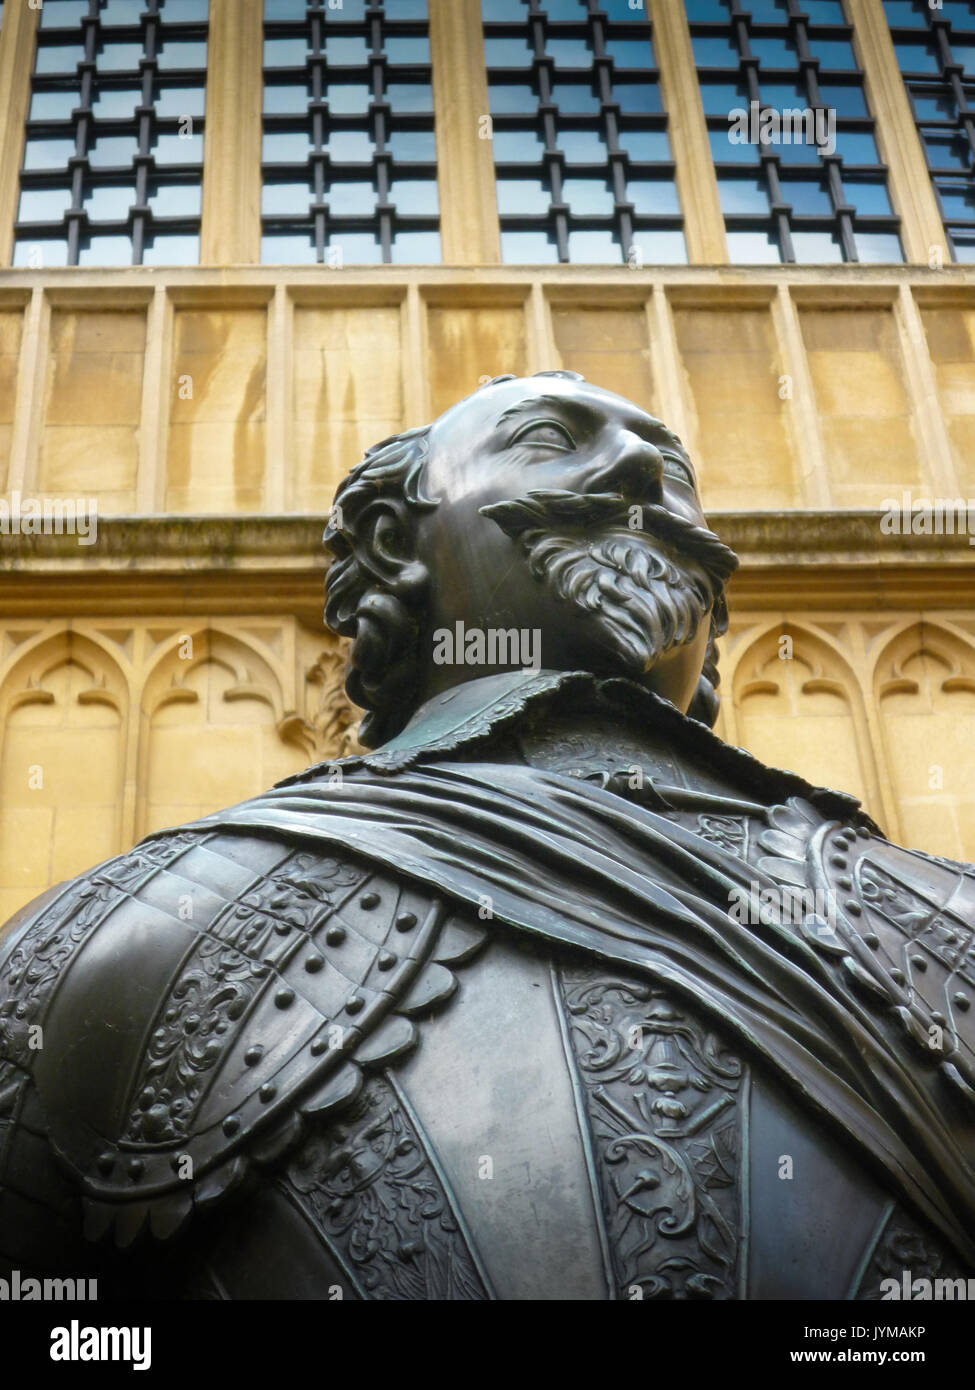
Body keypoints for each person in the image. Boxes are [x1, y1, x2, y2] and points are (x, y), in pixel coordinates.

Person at [1, 371, 973, 1300]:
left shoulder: (945, 919)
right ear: (393, 543)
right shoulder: (135, 930)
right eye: (550, 440)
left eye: (672, 470)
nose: (641, 471)